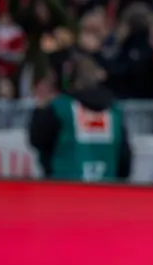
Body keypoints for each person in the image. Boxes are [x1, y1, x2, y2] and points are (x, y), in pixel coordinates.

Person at [29, 52, 132, 182]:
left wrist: (39, 110)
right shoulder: (114, 110)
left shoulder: (60, 107)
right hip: (107, 188)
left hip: (63, 187)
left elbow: (37, 140)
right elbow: (124, 158)